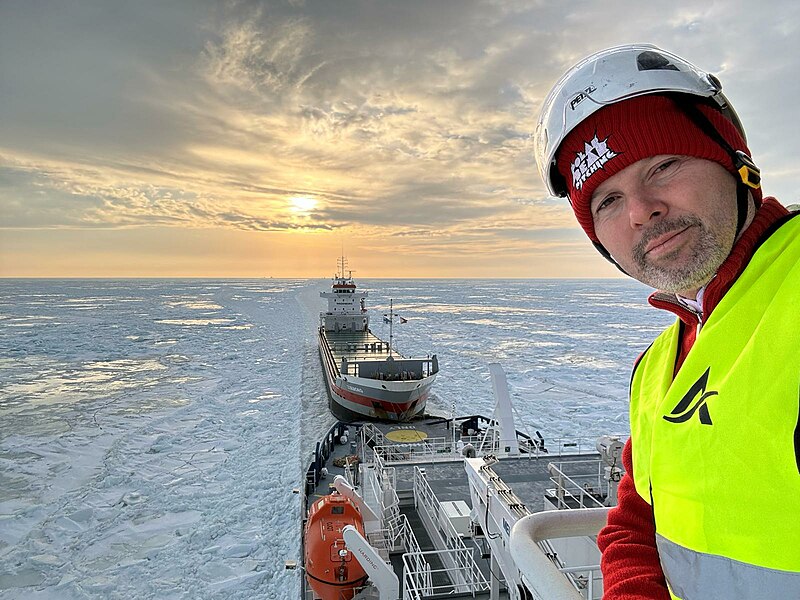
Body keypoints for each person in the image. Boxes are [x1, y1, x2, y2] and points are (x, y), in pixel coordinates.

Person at [534, 44, 800, 599]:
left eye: (663, 165)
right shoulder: (658, 369)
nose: (641, 211)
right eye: (606, 200)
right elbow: (636, 524)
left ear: (735, 161)